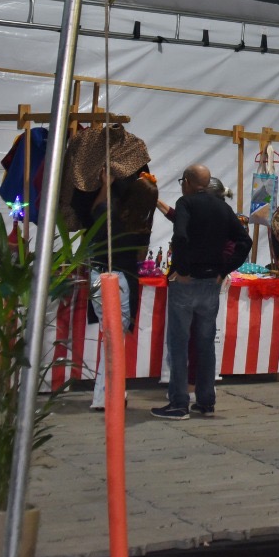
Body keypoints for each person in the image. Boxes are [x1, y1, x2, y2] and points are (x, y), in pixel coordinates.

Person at [151, 165, 251, 420]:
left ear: (187, 182)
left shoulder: (186, 203)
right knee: (206, 343)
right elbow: (245, 240)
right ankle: (206, 401)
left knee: (179, 343)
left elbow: (181, 236)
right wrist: (224, 269)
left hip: (186, 283)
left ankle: (179, 403)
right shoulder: (222, 207)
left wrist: (182, 269)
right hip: (210, 281)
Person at [88, 171, 157, 411]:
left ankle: (108, 391)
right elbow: (140, 257)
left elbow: (94, 212)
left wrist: (105, 186)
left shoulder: (109, 211)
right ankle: (106, 394)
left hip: (97, 276)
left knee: (108, 336)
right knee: (115, 339)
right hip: (120, 280)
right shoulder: (141, 226)